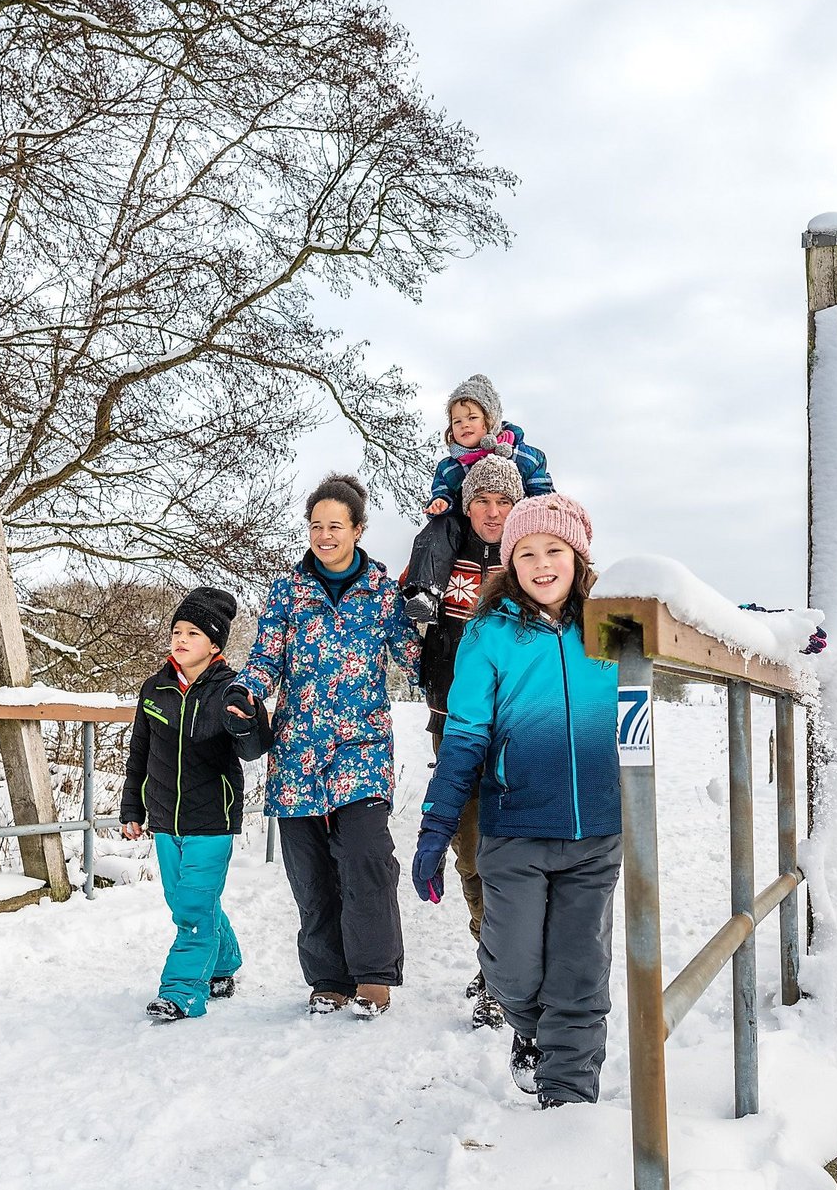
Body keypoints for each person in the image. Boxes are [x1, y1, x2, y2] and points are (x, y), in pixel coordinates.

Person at [410, 493, 623, 1108]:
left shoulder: (613, 625)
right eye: (525, 553)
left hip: (594, 834)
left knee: (580, 975)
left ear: (578, 558)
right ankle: (531, 1031)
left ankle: (568, 1099)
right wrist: (435, 829)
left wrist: (768, 631)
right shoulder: (488, 635)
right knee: (512, 972)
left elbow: (686, 628)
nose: (541, 563)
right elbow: (464, 738)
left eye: (554, 550)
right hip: (514, 832)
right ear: (510, 564)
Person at [229, 474, 421, 1018]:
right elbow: (267, 658)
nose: (324, 535)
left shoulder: (383, 593)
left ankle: (374, 975)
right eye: (316, 525)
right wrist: (248, 691)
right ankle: (328, 978)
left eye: (335, 525)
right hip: (298, 751)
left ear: (357, 530)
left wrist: (426, 628)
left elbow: (411, 661)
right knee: (309, 871)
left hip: (360, 748)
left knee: (365, 858)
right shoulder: (288, 591)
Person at [120, 587, 273, 1023]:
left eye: (193, 632)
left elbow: (254, 749)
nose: (180, 639)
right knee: (183, 900)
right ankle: (224, 963)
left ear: (215, 644)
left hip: (212, 817)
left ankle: (183, 991)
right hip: (166, 817)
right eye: (176, 631)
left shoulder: (233, 690)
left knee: (191, 908)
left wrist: (244, 725)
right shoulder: (156, 688)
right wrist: (133, 808)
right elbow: (139, 753)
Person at [408, 453, 522, 1030]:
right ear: (466, 503)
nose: (493, 512)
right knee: (470, 849)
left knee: (517, 853)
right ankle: (491, 959)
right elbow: (404, 611)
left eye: (504, 501)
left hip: (520, 726)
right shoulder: (446, 552)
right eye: (482, 500)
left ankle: (512, 970)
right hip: (452, 718)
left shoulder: (534, 559)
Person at [405, 375, 553, 627]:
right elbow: (442, 490)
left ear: (490, 421)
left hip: (517, 524)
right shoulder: (451, 465)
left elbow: (541, 487)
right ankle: (426, 592)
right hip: (466, 528)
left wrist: (542, 510)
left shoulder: (522, 454)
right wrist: (441, 502)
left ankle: (537, 602)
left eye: (472, 418)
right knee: (440, 527)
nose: (464, 425)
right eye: (457, 421)